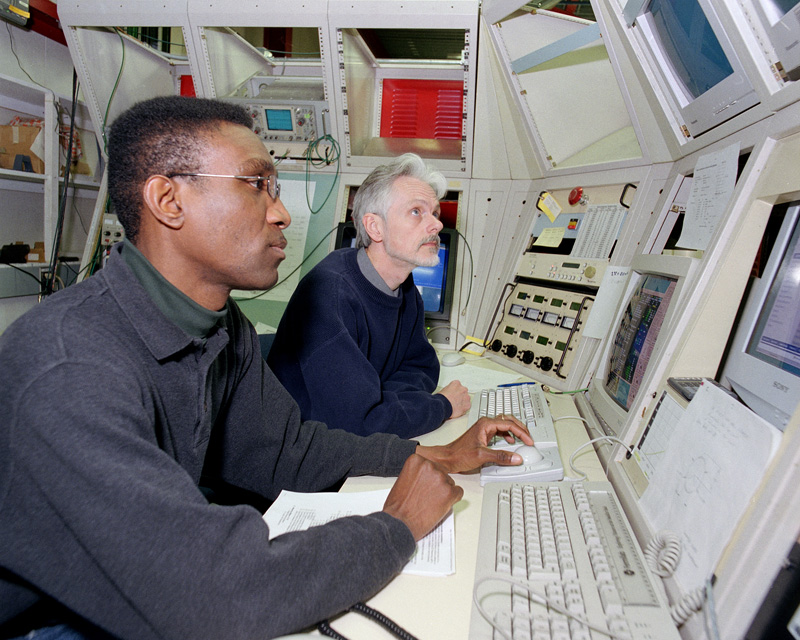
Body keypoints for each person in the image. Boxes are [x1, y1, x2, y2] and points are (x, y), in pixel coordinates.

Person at [0, 96, 531, 640]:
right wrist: (395, 527)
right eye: (256, 184)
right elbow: (212, 593)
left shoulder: (222, 326)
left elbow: (287, 450)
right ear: (168, 200)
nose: (281, 213)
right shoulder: (67, 368)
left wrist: (426, 452)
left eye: (275, 188)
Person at [267, 153, 471, 439]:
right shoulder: (330, 292)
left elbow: (421, 367)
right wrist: (442, 406)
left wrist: (381, 402)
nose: (436, 225)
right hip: (300, 456)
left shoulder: (405, 288)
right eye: (417, 211)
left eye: (434, 214)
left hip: (348, 440)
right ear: (375, 227)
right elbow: (357, 421)